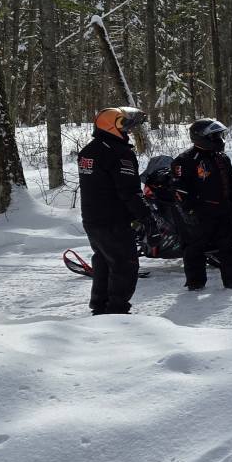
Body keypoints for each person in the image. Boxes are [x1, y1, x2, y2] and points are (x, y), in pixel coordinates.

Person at [78, 106, 152, 315]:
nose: (127, 130)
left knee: (103, 261)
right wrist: (146, 216)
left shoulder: (89, 150)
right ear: (110, 125)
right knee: (124, 265)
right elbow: (129, 191)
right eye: (123, 125)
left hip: (92, 219)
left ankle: (100, 307)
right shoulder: (119, 153)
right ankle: (117, 311)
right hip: (114, 220)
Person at [171, 119, 232, 291]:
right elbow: (178, 189)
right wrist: (189, 210)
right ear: (201, 137)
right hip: (200, 212)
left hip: (224, 210)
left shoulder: (222, 158)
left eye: (219, 135)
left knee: (230, 247)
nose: (219, 139)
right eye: (214, 136)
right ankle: (195, 283)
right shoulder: (185, 160)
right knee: (194, 249)